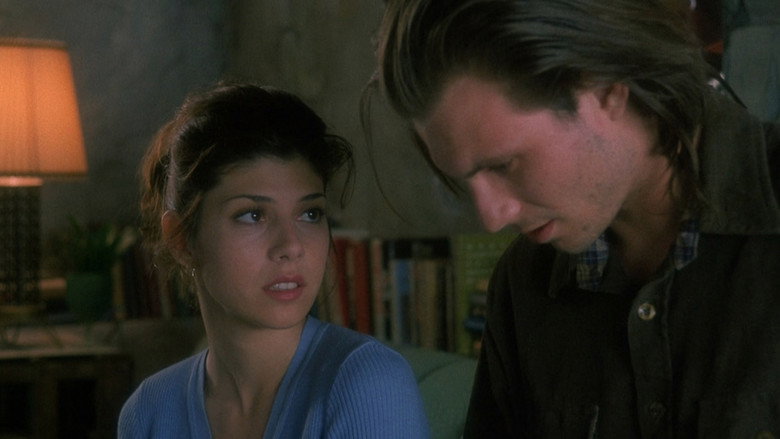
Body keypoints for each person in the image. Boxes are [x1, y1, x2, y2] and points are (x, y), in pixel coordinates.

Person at [370, 0, 780, 437]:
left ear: (606, 88)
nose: (492, 217)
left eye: (504, 164)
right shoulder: (523, 283)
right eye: (465, 179)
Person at [118, 82, 430, 438]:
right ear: (181, 238)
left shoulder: (369, 384)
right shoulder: (148, 412)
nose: (291, 246)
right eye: (253, 215)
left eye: (310, 214)